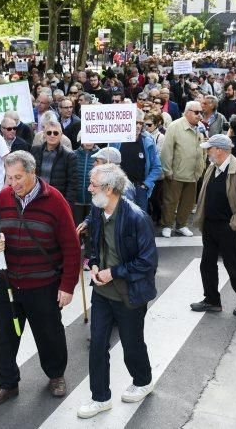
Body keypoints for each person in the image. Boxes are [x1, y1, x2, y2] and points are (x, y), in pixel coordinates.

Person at [0, 151, 79, 407]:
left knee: (49, 335)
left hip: (43, 284)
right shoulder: (3, 197)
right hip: (9, 283)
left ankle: (56, 375)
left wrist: (67, 286)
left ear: (32, 172)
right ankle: (7, 384)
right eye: (9, 177)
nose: (13, 183)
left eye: (18, 177)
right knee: (4, 337)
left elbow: (71, 246)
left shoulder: (55, 200)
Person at [76, 163, 157, 419]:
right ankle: (100, 397)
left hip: (129, 294)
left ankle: (143, 380)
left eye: (94, 185)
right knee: (97, 345)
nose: (89, 189)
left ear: (109, 189)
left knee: (132, 344)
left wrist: (114, 272)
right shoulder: (98, 211)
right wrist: (95, 264)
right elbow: (94, 246)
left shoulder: (136, 217)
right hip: (102, 294)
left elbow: (148, 262)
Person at [190, 135, 236, 317]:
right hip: (211, 225)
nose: (207, 151)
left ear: (219, 150)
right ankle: (212, 300)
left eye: (209, 148)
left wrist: (234, 224)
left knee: (232, 265)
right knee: (207, 264)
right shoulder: (213, 167)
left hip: (228, 227)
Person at [159, 101, 207, 238]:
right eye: (196, 112)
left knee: (188, 202)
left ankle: (181, 225)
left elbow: (202, 148)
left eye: (201, 112)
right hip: (176, 172)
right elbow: (166, 150)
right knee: (170, 200)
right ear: (187, 112)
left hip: (193, 172)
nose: (200, 115)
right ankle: (167, 225)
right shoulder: (175, 126)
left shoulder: (200, 127)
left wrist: (201, 167)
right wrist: (167, 171)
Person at [109, 110, 162, 212]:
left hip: (140, 188)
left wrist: (146, 184)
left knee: (140, 220)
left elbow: (157, 167)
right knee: (121, 219)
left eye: (141, 123)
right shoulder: (116, 140)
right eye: (135, 123)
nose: (138, 126)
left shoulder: (147, 141)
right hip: (120, 187)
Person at [30, 120, 78, 210]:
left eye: (55, 133)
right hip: (36, 198)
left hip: (57, 201)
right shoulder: (34, 151)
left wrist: (67, 206)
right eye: (49, 132)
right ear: (44, 134)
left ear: (61, 135)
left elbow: (72, 184)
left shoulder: (69, 156)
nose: (52, 135)